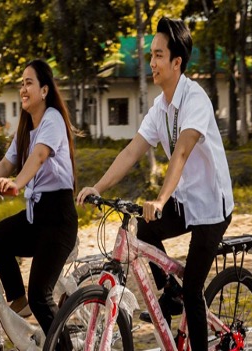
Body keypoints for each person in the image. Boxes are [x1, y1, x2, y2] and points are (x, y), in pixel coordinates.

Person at [77, 17, 234, 350]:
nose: (151, 62)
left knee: (194, 290)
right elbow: (132, 150)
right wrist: (98, 187)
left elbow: (181, 153)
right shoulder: (159, 107)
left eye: (159, 55)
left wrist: (161, 199)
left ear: (177, 62)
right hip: (184, 200)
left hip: (211, 207)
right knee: (145, 229)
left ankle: (183, 298)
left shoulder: (196, 100)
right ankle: (170, 293)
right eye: (151, 55)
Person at [0, 59, 78, 336]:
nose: (23, 89)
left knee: (41, 296)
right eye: (21, 84)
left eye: (29, 83)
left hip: (58, 220)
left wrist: (18, 183)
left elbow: (40, 156)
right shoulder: (25, 130)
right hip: (37, 218)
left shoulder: (52, 119)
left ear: (44, 90)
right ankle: (18, 300)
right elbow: (5, 164)